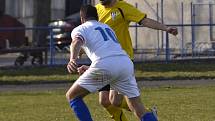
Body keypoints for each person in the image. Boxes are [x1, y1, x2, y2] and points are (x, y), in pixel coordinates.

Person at [66, 4, 158, 121]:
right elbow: (111, 54)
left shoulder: (81, 28)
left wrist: (72, 59)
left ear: (82, 19)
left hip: (106, 65)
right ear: (97, 17)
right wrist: (91, 68)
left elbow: (76, 42)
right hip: (125, 63)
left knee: (73, 95)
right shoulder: (107, 28)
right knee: (137, 107)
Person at [95, 0, 178, 121]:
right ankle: (148, 113)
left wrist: (166, 28)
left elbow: (145, 21)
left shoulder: (123, 8)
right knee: (105, 100)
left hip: (121, 59)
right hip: (103, 60)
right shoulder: (96, 10)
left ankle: (146, 113)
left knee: (115, 101)